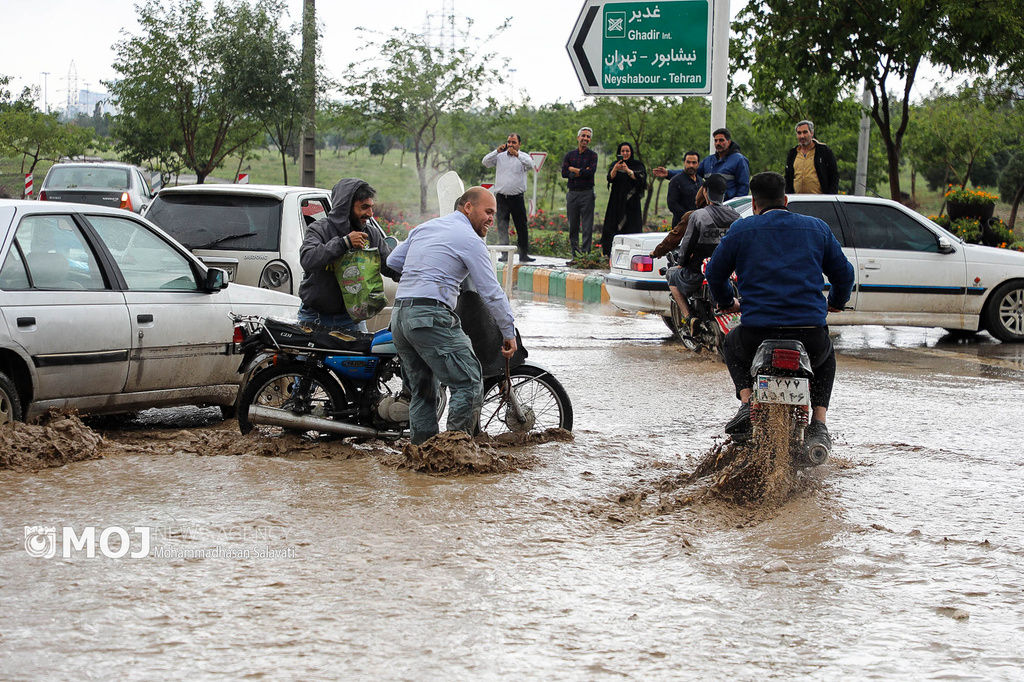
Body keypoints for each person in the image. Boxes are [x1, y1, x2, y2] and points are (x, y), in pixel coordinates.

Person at [704, 172, 854, 454]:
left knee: (730, 343)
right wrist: (835, 301)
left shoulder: (742, 230)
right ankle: (819, 423)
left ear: (754, 204)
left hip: (756, 333)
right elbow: (845, 274)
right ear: (785, 200)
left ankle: (748, 405)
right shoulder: (817, 228)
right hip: (810, 333)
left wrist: (726, 302)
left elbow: (714, 274)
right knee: (826, 358)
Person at [386, 187, 517, 445]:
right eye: (488, 212)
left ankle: (423, 456)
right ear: (468, 207)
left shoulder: (425, 228)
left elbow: (393, 261)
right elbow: (491, 292)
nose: (491, 219)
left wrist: (425, 272)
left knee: (423, 393)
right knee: (468, 382)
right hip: (430, 316)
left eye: (494, 213)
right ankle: (454, 452)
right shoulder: (470, 239)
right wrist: (508, 331)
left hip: (400, 318)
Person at [297, 178, 398, 332]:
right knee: (304, 357)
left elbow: (389, 265)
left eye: (371, 207)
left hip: (351, 320)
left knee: (360, 357)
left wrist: (414, 275)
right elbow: (308, 259)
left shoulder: (371, 234)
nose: (370, 214)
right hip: (315, 318)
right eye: (364, 208)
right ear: (345, 207)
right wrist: (344, 243)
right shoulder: (320, 229)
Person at [650, 174, 739, 333]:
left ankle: (689, 317)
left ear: (705, 192)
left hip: (698, 272)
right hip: (729, 273)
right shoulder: (735, 215)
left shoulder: (698, 216)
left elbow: (687, 245)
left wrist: (681, 264)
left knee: (671, 275)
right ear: (724, 193)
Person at [482, 132, 536, 263]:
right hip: (502, 198)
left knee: (521, 226)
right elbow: (485, 162)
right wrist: (496, 151)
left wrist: (517, 155)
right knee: (502, 226)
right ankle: (504, 254)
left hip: (517, 198)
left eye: (514, 142)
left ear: (519, 144)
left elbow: (531, 165)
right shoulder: (500, 156)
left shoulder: (523, 157)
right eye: (509, 142)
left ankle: (523, 254)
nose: (510, 145)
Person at [601, 141, 647, 257]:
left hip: (632, 203)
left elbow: (641, 179)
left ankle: (632, 256)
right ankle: (610, 255)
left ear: (631, 152)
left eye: (627, 151)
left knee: (632, 229)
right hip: (616, 202)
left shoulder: (637, 165)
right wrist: (616, 169)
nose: (625, 153)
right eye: (623, 151)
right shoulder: (614, 164)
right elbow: (610, 178)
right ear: (619, 153)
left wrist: (628, 170)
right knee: (612, 228)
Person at [560, 126, 598, 260]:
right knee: (573, 226)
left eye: (588, 137)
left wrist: (574, 170)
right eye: (583, 136)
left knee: (587, 227)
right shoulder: (570, 155)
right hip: (572, 194)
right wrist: (581, 171)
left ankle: (585, 256)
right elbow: (564, 173)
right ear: (578, 137)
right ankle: (575, 256)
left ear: (590, 140)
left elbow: (590, 173)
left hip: (587, 194)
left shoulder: (593, 156)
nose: (585, 139)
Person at [784, 120, 840, 194]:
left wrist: (830, 197)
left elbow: (834, 175)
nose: (802, 136)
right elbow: (787, 178)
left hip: (818, 201)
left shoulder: (824, 151)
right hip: (797, 201)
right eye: (799, 133)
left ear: (812, 133)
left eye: (805, 132)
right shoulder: (793, 153)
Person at [665, 150, 702, 227]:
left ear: (698, 164)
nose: (691, 165)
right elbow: (672, 204)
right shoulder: (676, 181)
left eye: (694, 163)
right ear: (684, 163)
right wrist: (688, 216)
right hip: (681, 224)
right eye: (688, 162)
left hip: (698, 224)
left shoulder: (700, 181)